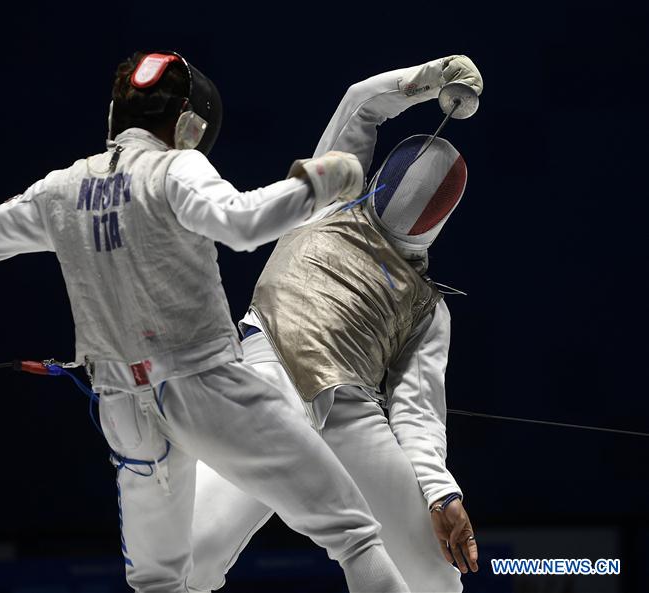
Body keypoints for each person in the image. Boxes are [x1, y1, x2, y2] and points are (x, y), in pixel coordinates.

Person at [0, 51, 413, 592]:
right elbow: (243, 225)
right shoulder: (176, 169)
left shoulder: (59, 190)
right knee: (352, 533)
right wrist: (317, 182)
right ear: (190, 127)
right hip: (207, 387)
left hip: (124, 411)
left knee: (160, 583)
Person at [187, 56, 484, 593]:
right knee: (189, 554)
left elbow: (417, 413)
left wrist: (442, 494)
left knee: (434, 583)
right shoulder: (330, 202)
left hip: (341, 414)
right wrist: (433, 76)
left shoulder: (425, 305)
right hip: (267, 384)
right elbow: (362, 104)